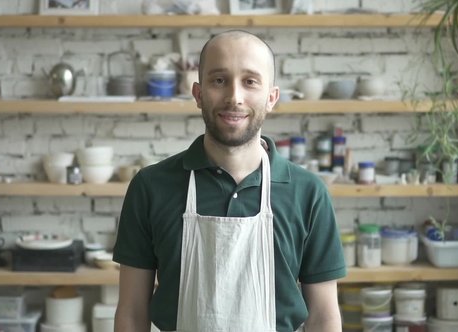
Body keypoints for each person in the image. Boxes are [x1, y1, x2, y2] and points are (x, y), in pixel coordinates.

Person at [113, 29, 346, 332]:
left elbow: (324, 317)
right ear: (198, 94)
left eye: (250, 81)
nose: (234, 97)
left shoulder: (308, 193)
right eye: (219, 80)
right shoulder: (150, 187)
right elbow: (131, 312)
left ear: (271, 97)